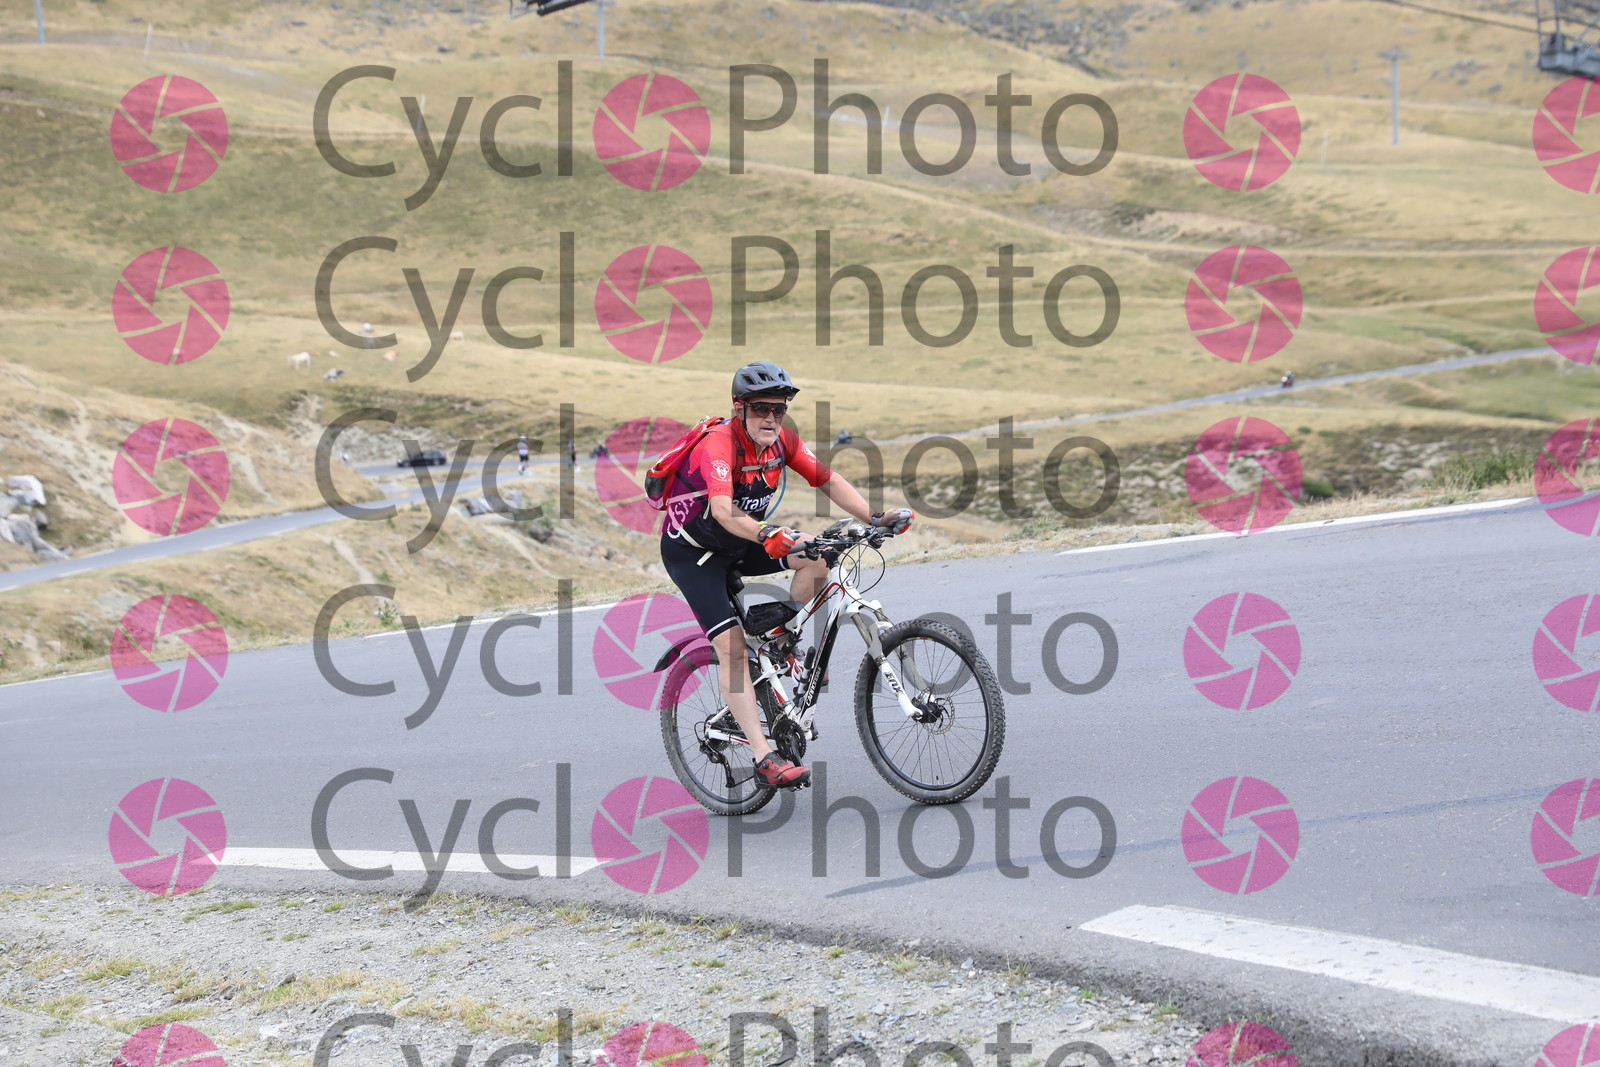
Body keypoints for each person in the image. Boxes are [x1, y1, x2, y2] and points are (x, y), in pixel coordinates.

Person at [658, 361, 915, 790]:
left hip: (742, 540)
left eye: (779, 409)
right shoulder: (719, 444)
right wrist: (767, 533)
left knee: (818, 555)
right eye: (761, 408)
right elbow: (722, 510)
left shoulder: (782, 440)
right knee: (732, 649)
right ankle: (764, 757)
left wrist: (874, 517)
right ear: (739, 407)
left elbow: (827, 479)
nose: (771, 418)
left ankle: (781, 645)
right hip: (695, 553)